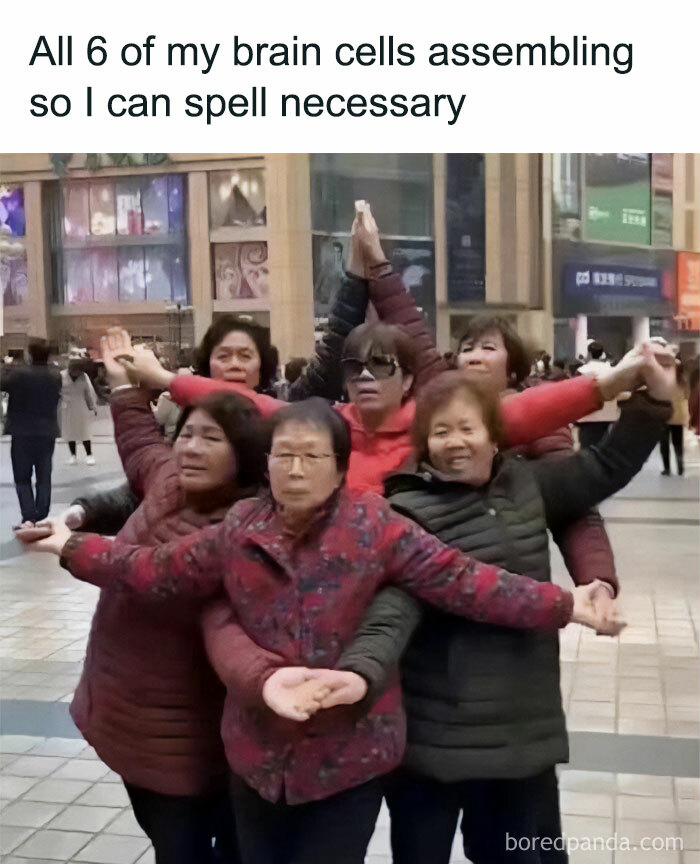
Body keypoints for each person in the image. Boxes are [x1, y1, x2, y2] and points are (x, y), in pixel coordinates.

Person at [19, 398, 620, 864]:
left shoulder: (377, 528)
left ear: (339, 468)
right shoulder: (240, 529)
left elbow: (469, 582)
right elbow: (153, 570)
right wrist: (72, 545)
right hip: (255, 752)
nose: (296, 470)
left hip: (350, 753)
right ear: (266, 463)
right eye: (284, 456)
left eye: (313, 457)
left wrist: (569, 604)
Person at [376, 349, 672, 864]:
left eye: (466, 428)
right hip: (432, 738)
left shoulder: (525, 486)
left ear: (493, 434)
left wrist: (655, 400)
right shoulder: (403, 510)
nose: (454, 443)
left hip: (519, 736)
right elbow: (453, 593)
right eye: (440, 432)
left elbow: (605, 466)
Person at [455, 315, 619, 608]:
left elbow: (574, 504)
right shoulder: (438, 418)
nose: (474, 357)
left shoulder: (542, 421)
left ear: (513, 369)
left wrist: (598, 579)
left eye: (488, 348)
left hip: (518, 593)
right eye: (467, 348)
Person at [0, 339, 61, 523]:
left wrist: (7, 366)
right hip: (47, 431)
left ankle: (28, 516)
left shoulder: (19, 374)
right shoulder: (55, 375)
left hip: (22, 431)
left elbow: (2, 384)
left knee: (22, 477)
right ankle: (42, 514)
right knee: (44, 475)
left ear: (29, 354)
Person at [575, 341, 619, 449]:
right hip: (609, 414)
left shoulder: (582, 371)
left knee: (586, 448)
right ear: (602, 353)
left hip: (588, 415)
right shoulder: (611, 371)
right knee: (603, 447)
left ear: (589, 353)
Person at [60, 359, 98, 465]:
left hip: (81, 406)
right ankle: (73, 456)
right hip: (67, 407)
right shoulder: (61, 376)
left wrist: (93, 407)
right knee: (69, 432)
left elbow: (89, 393)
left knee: (85, 431)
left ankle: (89, 455)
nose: (76, 372)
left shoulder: (84, 376)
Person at [660, 357, 689, 476]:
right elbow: (687, 396)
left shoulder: (662, 380)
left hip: (664, 415)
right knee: (678, 442)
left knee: (664, 443)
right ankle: (680, 465)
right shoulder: (684, 381)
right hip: (679, 416)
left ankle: (667, 468)